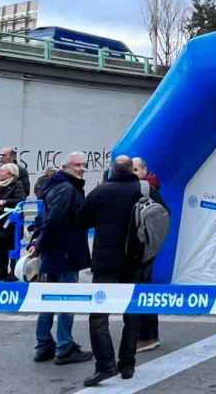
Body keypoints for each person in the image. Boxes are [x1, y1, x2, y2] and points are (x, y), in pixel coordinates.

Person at [77, 155, 145, 387]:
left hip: (105, 263)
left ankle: (105, 366)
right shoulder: (144, 189)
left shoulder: (100, 192)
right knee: (132, 314)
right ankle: (127, 364)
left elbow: (80, 221)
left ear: (112, 170)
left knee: (98, 316)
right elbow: (162, 218)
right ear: (131, 170)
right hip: (134, 261)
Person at [30, 152, 92, 366]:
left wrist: (38, 242)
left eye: (83, 164)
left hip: (55, 251)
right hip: (65, 251)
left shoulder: (58, 186)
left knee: (48, 299)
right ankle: (64, 346)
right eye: (77, 165)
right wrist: (39, 244)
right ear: (66, 166)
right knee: (66, 299)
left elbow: (45, 217)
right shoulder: (67, 189)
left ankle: (44, 344)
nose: (82, 168)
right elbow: (54, 219)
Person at [132, 156, 162, 353]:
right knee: (140, 290)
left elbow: (162, 217)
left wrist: (150, 241)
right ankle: (145, 334)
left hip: (144, 248)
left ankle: (148, 336)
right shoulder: (141, 188)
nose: (133, 173)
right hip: (139, 247)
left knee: (143, 291)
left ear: (144, 170)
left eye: (135, 169)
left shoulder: (148, 189)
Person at [0, 163, 26, 281]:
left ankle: (13, 272)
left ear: (10, 173)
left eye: (2, 171)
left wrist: (4, 202)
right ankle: (0, 271)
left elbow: (20, 200)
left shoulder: (17, 184)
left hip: (11, 223)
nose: (0, 173)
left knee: (12, 247)